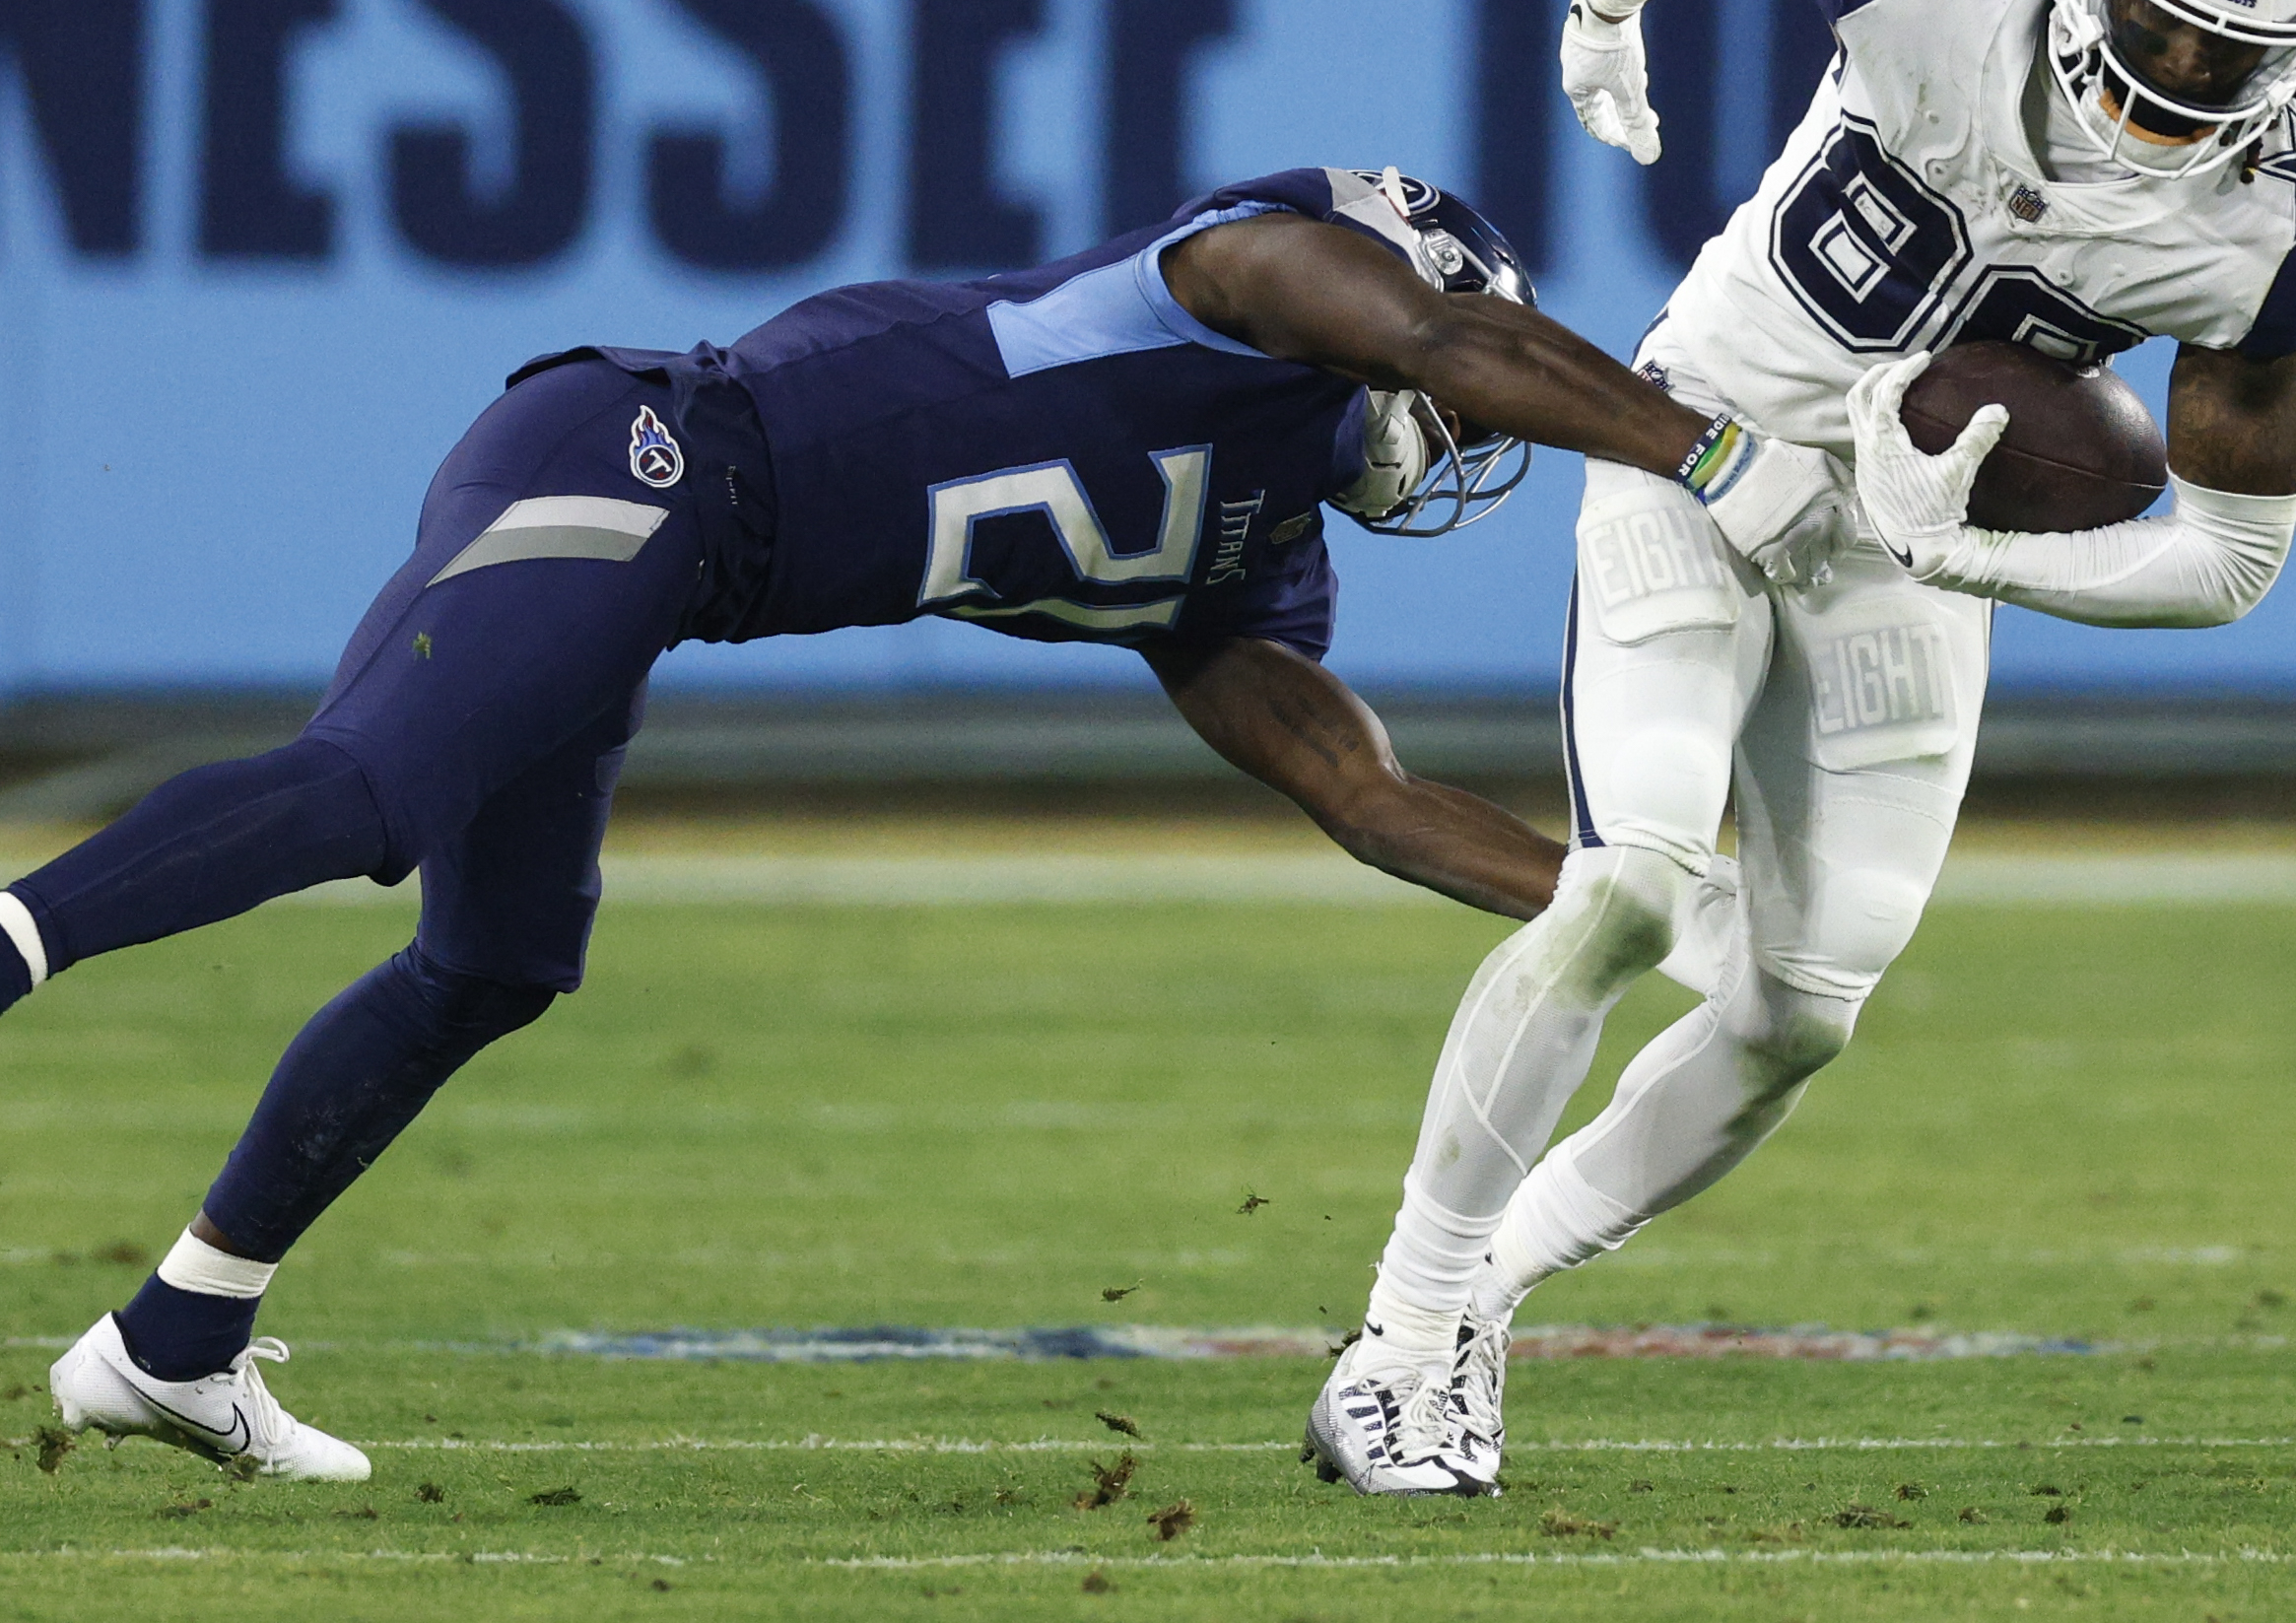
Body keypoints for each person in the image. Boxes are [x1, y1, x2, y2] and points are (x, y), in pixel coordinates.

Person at [11, 165, 1852, 1478]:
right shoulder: (1252, 273)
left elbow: (1362, 796)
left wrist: (1650, 906)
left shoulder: (1254, 552)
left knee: (491, 962)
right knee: (370, 793)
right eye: (1448, 397)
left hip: (677, 578)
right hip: (636, 459)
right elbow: (1427, 332)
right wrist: (1700, 444)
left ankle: (173, 1345)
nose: (1452, 445)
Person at [1309, 0, 2296, 1495]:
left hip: (1905, 551)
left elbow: (2235, 554)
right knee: (1633, 884)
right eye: (2160, 18)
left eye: (2228, 52)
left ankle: (1486, 1299)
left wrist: (1971, 559)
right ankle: (1402, 1332)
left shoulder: (2283, 228)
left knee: (1801, 1009)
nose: (2180, 76)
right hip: (1703, 440)